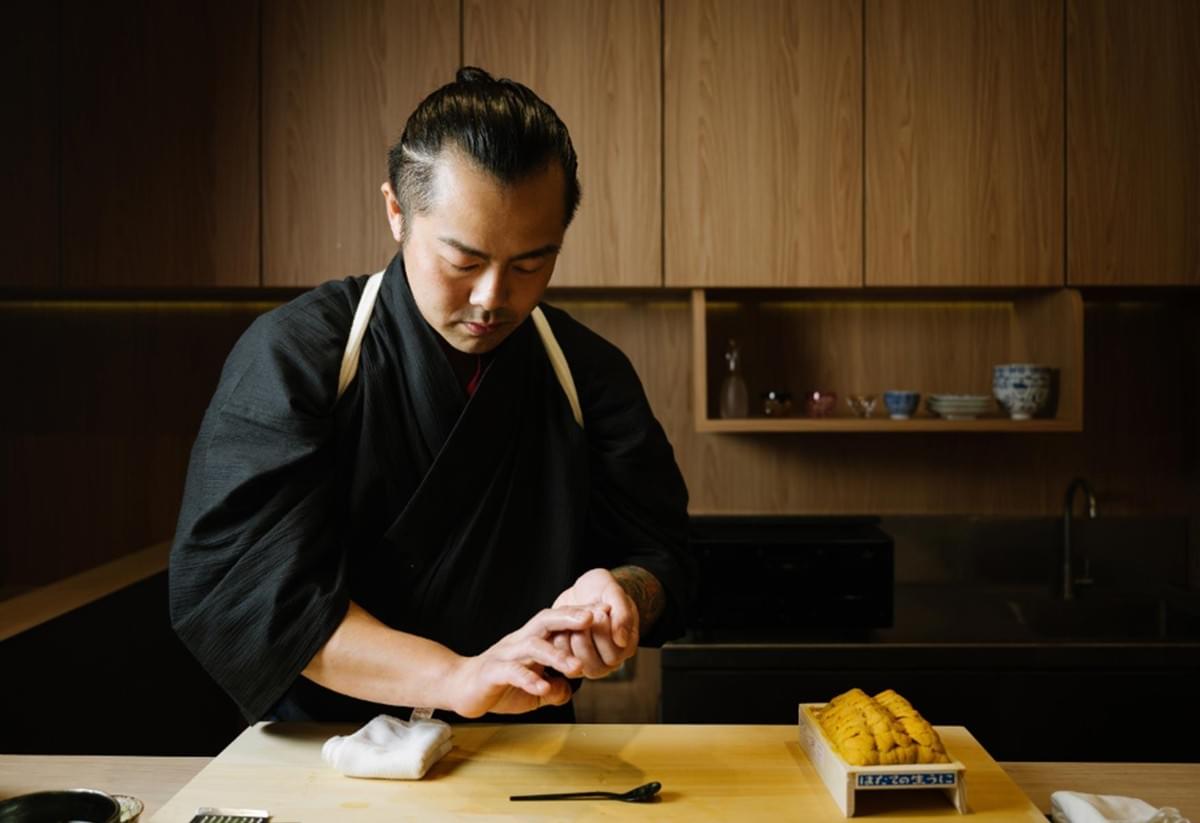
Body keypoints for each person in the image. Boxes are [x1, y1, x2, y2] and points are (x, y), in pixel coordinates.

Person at [169, 67, 693, 724]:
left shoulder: (587, 374)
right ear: (397, 210)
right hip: (323, 750)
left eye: (531, 263)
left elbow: (665, 558)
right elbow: (243, 589)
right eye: (464, 261)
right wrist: (455, 677)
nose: (492, 298)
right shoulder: (297, 356)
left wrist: (619, 593)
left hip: (523, 753)